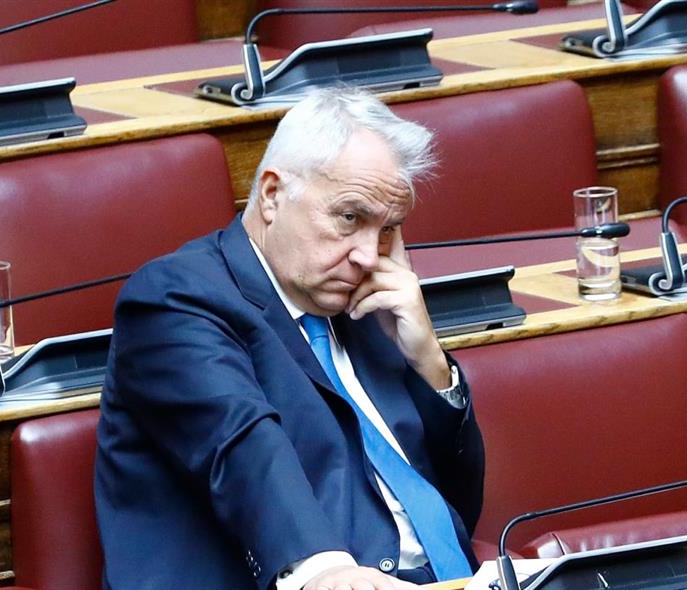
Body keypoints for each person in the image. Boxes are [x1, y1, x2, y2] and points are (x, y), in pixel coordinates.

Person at [95, 88, 484, 590]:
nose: (369, 255)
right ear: (272, 195)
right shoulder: (176, 299)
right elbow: (241, 446)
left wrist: (429, 361)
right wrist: (325, 569)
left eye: (388, 229)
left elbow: (458, 509)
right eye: (350, 218)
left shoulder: (370, 305)